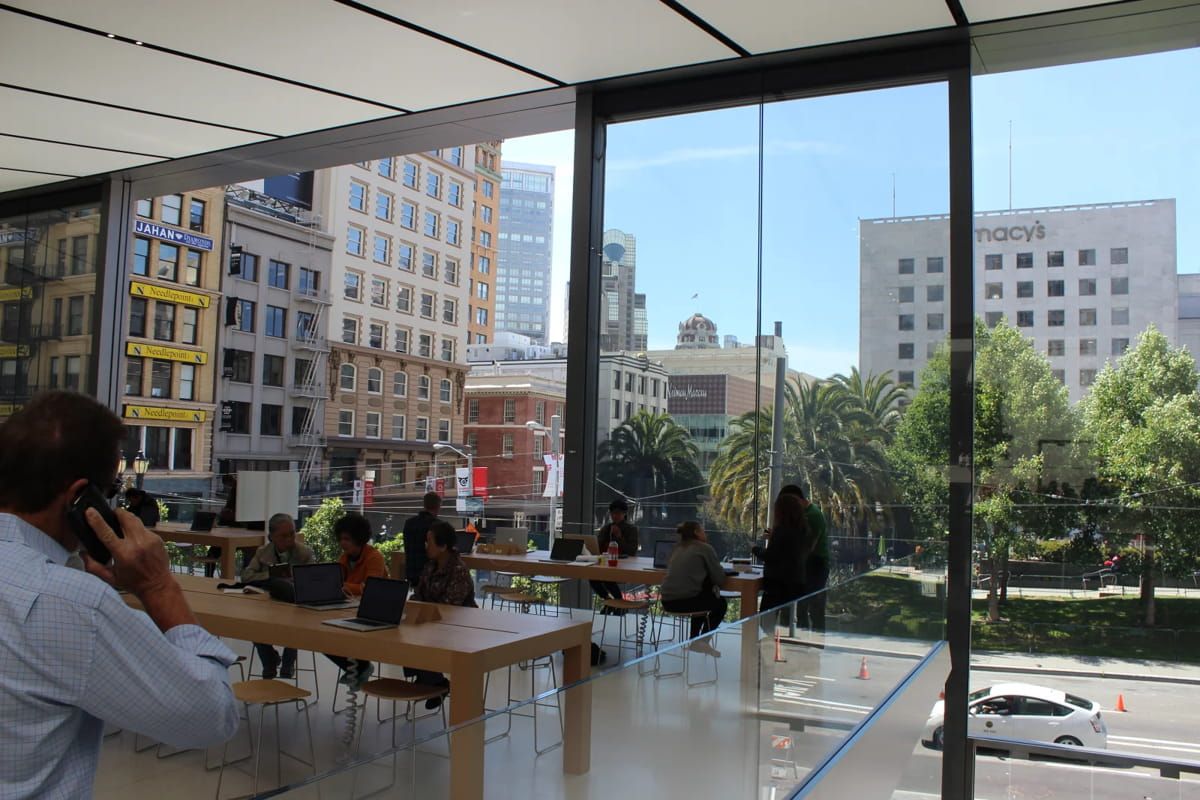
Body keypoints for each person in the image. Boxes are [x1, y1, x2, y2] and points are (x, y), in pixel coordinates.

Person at [0, 392, 239, 798]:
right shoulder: (73, 603)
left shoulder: (66, 589)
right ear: (80, 497)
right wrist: (158, 587)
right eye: (111, 488)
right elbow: (212, 715)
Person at [407, 521, 477, 707]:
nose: (426, 545)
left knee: (419, 637)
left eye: (429, 541)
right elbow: (419, 594)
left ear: (443, 546)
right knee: (404, 634)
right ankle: (430, 679)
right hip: (433, 622)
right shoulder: (430, 566)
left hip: (458, 628)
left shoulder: (458, 571)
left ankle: (432, 681)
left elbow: (450, 608)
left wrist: (422, 609)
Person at [241, 513, 315, 680]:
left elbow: (312, 580)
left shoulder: (305, 553)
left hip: (295, 605)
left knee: (295, 624)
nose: (289, 539)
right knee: (253, 624)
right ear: (271, 537)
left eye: (292, 534)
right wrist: (269, 576)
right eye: (283, 536)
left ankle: (288, 664)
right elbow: (246, 576)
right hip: (267, 604)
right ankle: (269, 661)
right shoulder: (262, 552)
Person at [324, 512, 388, 688]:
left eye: (347, 539)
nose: (342, 543)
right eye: (341, 538)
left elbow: (370, 588)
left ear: (359, 539)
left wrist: (345, 586)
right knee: (322, 638)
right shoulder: (343, 559)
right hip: (348, 609)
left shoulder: (375, 557)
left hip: (374, 612)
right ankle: (357, 668)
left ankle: (360, 667)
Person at [659, 520, 726, 657]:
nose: (705, 534)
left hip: (667, 602)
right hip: (685, 602)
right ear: (696, 532)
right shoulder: (705, 548)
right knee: (720, 604)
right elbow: (720, 580)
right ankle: (702, 641)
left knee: (703, 593)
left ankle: (695, 641)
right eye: (702, 531)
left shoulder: (678, 548)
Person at [753, 493, 814, 629]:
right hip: (797, 581)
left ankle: (768, 647)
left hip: (777, 584)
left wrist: (755, 549)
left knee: (766, 621)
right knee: (792, 621)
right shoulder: (804, 530)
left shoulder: (781, 531)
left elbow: (771, 556)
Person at [779, 484, 830, 632]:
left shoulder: (812, 516)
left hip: (815, 565)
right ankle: (806, 641)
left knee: (813, 607)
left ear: (796, 499)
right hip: (810, 564)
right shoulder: (807, 513)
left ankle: (814, 641)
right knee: (805, 607)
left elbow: (808, 547)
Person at [590, 499, 639, 610]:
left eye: (618, 513)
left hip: (624, 564)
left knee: (607, 577)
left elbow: (631, 551)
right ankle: (610, 601)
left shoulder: (631, 529)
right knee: (592, 577)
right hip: (607, 562)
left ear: (624, 514)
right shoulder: (606, 528)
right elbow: (597, 546)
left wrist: (619, 537)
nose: (615, 516)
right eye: (613, 513)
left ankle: (617, 604)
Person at [402, 491, 441, 584]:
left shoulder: (409, 523)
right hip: (430, 575)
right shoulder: (438, 526)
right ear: (438, 506)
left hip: (411, 572)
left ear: (424, 505)